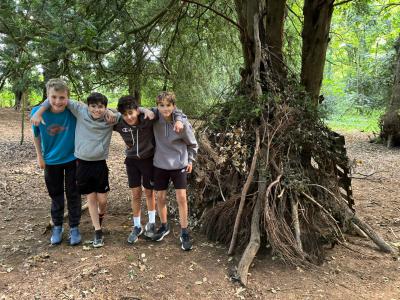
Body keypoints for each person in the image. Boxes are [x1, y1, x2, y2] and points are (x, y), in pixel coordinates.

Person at [32, 92, 117, 248]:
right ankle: (88, 230)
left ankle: (91, 219)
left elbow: (129, 113)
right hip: (79, 163)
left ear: (105, 107)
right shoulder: (80, 110)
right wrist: (39, 111)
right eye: (93, 106)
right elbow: (54, 97)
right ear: (87, 106)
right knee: (81, 197)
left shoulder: (109, 117)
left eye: (100, 107)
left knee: (97, 199)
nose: (96, 110)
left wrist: (110, 111)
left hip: (95, 163)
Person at [113, 95, 185, 244]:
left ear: (137, 111)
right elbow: (103, 112)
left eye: (131, 113)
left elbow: (173, 110)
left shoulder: (148, 117)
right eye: (125, 114)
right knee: (136, 194)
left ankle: (152, 222)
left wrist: (144, 109)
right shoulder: (119, 122)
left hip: (148, 160)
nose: (129, 117)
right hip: (132, 161)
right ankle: (137, 226)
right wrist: (109, 113)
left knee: (149, 192)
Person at [31, 78, 82, 246]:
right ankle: (57, 226)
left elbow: (92, 109)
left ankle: (74, 227)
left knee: (73, 193)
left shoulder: (73, 111)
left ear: (67, 97)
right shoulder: (38, 113)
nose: (58, 101)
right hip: (51, 160)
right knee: (56, 194)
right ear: (47, 96)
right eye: (53, 97)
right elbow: (36, 135)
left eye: (62, 97)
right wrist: (40, 156)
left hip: (73, 158)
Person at [151, 91, 198, 251]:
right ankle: (164, 226)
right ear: (157, 106)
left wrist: (190, 160)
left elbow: (192, 144)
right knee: (160, 197)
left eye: (168, 105)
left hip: (179, 165)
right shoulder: (154, 118)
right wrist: (145, 110)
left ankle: (184, 231)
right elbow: (141, 111)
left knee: (182, 198)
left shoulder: (181, 123)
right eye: (161, 105)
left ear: (174, 106)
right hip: (160, 164)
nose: (165, 108)